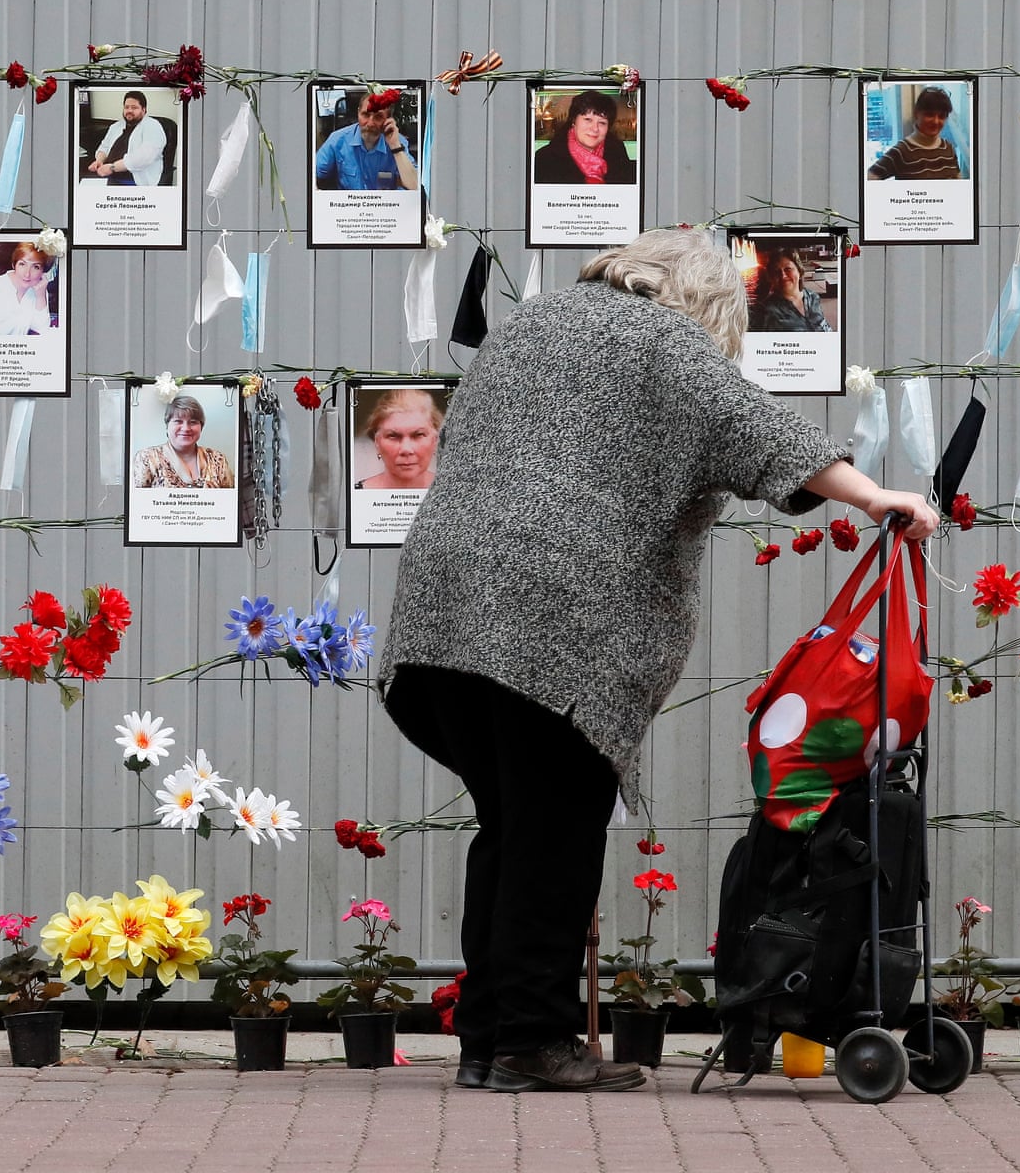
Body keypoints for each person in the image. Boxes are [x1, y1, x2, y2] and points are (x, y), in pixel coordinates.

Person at [377, 228, 938, 1095]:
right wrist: (874, 497)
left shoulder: (533, 321)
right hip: (551, 625)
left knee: (511, 827)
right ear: (710, 300)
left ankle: (490, 1038)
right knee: (554, 834)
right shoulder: (666, 341)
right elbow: (760, 430)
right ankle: (530, 1041)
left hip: (442, 613)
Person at [315, 92, 418, 191]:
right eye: (365, 114)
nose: (370, 123)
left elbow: (414, 186)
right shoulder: (337, 140)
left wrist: (395, 147)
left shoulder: (397, 142)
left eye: (378, 117)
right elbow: (311, 175)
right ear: (358, 113)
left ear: (388, 120)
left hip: (384, 206)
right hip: (348, 206)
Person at [533, 89, 637, 185]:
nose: (595, 128)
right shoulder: (545, 159)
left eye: (602, 123)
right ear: (574, 121)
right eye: (588, 120)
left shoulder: (618, 155)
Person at [132, 394, 235, 488]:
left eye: (193, 422)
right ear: (167, 425)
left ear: (201, 426)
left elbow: (230, 501)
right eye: (178, 421)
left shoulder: (218, 459)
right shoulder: (148, 459)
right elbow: (136, 503)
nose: (186, 428)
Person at [867, 85, 962, 180]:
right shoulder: (901, 151)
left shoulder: (949, 148)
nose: (936, 121)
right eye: (930, 114)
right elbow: (868, 179)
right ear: (916, 113)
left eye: (941, 116)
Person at [354, 388, 443, 490]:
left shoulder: (452, 493)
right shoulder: (355, 495)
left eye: (418, 435)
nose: (406, 449)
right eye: (393, 436)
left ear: (435, 440)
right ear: (377, 442)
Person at [0, 242, 55, 336]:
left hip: (17, 349)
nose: (27, 274)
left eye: (36, 267)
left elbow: (41, 328)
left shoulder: (38, 289)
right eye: (22, 264)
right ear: (14, 265)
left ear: (43, 272)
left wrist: (40, 296)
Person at [86, 91, 167, 187]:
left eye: (134, 108)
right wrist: (99, 160)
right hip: (107, 176)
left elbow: (144, 157)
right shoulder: (116, 126)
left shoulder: (153, 126)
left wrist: (112, 168)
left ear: (144, 110)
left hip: (134, 181)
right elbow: (104, 146)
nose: (129, 110)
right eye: (126, 107)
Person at [751, 248, 833, 333]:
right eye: (776, 271)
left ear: (799, 271)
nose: (783, 276)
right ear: (771, 277)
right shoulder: (764, 311)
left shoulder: (813, 297)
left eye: (788, 269)